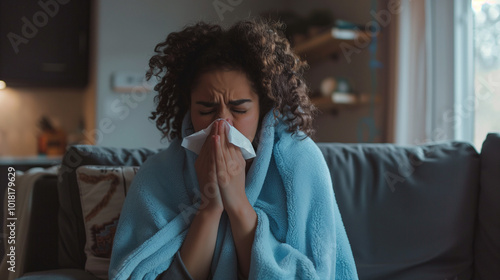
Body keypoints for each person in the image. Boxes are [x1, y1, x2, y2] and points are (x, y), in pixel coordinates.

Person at [109, 18, 358, 280]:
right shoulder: (159, 174)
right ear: (189, 107)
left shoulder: (300, 163)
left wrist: (238, 203)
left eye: (239, 109)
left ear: (264, 107)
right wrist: (209, 206)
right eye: (206, 109)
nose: (222, 123)